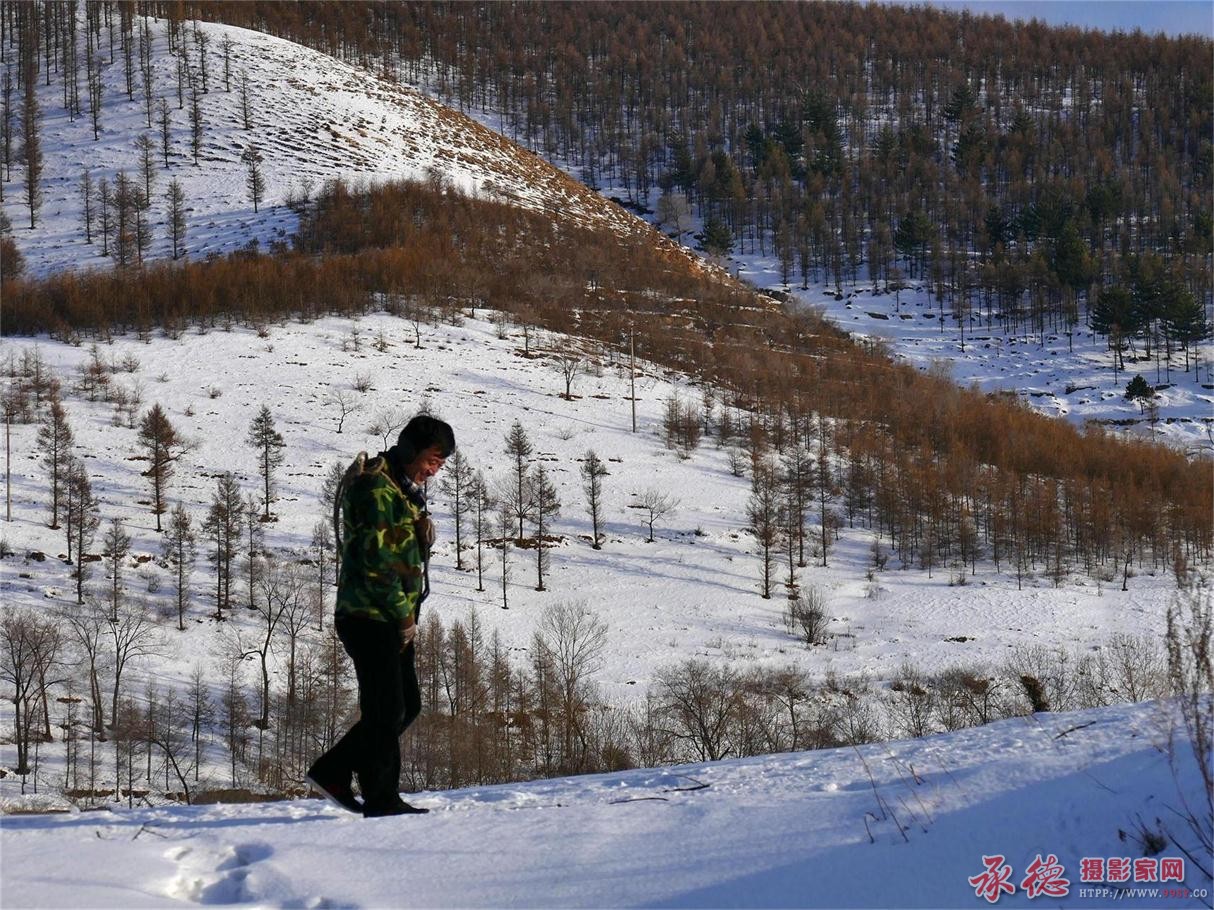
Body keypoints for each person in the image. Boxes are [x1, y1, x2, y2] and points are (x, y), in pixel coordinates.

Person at [307, 414, 455, 817]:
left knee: (405, 705)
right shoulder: (376, 489)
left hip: (389, 614)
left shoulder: (401, 490)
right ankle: (380, 798)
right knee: (386, 709)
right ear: (410, 450)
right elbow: (378, 565)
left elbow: (398, 551)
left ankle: (334, 771)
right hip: (369, 614)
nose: (434, 470)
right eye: (432, 460)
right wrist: (404, 618)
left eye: (440, 464)